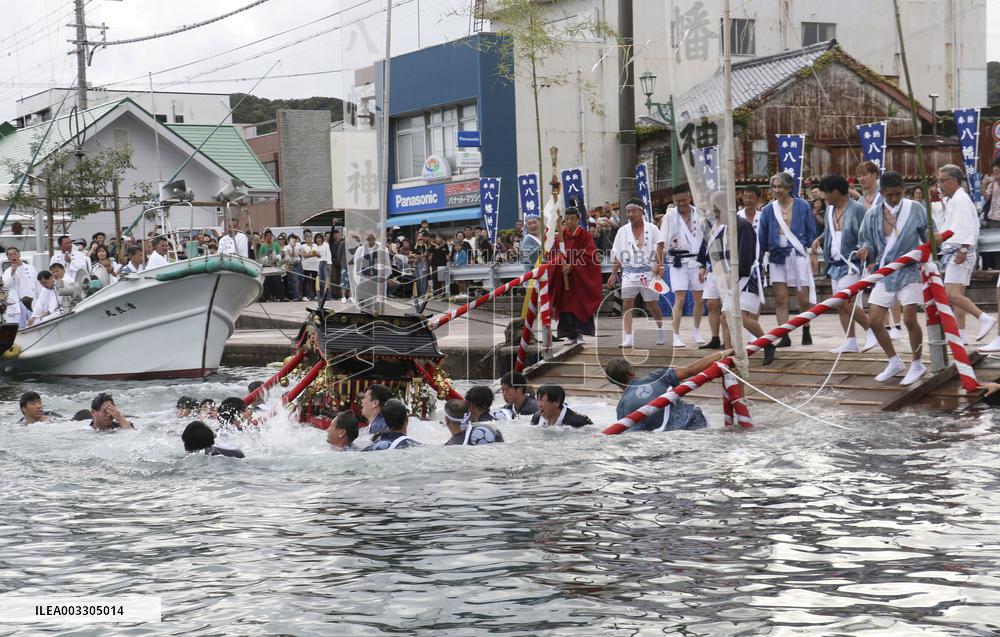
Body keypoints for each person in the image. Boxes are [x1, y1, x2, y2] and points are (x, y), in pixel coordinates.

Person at [857, 171, 930, 386]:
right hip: (885, 270)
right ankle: (893, 360)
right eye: (889, 195)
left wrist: (931, 246)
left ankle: (917, 363)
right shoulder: (872, 214)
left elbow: (928, 236)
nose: (894, 199)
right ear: (882, 193)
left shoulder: (915, 208)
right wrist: (865, 251)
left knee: (909, 318)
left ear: (904, 190)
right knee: (874, 320)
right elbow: (868, 242)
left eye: (898, 194)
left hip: (909, 269)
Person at [697, 192, 772, 362]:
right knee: (725, 317)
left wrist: (736, 274)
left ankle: (767, 342)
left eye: (717, 208)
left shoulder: (742, 225)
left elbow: (745, 255)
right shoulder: (719, 225)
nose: (714, 211)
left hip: (745, 276)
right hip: (728, 276)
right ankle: (729, 353)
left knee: (741, 317)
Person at [812, 173, 878, 354]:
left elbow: (868, 233)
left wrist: (866, 248)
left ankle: (871, 330)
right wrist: (819, 239)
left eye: (825, 193)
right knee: (842, 304)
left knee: (843, 302)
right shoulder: (829, 210)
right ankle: (850, 340)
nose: (823, 197)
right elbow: (829, 231)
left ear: (834, 192)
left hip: (852, 263)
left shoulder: (857, 209)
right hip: (834, 263)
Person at [935, 164, 996, 343]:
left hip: (961, 250)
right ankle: (960, 334)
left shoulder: (961, 200)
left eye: (942, 180)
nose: (940, 184)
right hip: (958, 249)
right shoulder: (956, 199)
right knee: (957, 295)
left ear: (953, 181)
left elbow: (968, 226)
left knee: (951, 294)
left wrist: (963, 249)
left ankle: (983, 317)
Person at [758, 171, 818, 347]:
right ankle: (784, 334)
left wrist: (812, 252)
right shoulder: (768, 210)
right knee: (780, 297)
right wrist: (760, 258)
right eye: (774, 187)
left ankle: (806, 328)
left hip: (797, 253)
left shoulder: (802, 206)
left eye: (780, 187)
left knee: (802, 297)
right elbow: (762, 236)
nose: (776, 190)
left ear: (789, 187)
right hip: (777, 256)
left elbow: (811, 231)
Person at [605, 350, 730, 431]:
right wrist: (723, 354)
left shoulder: (623, 409)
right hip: (695, 421)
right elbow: (692, 369)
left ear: (612, 382)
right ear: (630, 371)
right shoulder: (656, 377)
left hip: (670, 438)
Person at [608, 198, 666, 348]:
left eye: (633, 211)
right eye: (628, 211)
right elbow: (618, 254)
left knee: (651, 304)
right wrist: (614, 274)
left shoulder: (652, 228)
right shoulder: (622, 231)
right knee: (627, 303)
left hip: (648, 272)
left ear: (641, 211)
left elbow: (660, 246)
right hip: (629, 272)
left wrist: (659, 265)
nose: (630, 214)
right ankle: (628, 336)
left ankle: (660, 329)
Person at [548, 206, 603, 345]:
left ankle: (579, 334)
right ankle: (570, 335)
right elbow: (553, 255)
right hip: (564, 278)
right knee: (566, 307)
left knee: (579, 306)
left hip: (579, 279)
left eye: (573, 219)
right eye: (567, 219)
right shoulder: (560, 236)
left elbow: (590, 256)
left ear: (578, 219)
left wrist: (572, 266)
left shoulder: (585, 236)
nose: (570, 221)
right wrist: (560, 265)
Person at [660, 183, 706, 347]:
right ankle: (676, 334)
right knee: (679, 299)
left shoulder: (699, 213)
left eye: (684, 200)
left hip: (697, 260)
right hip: (677, 261)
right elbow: (661, 242)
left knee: (699, 299)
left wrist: (704, 263)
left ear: (690, 198)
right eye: (678, 201)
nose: (681, 203)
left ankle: (696, 329)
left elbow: (706, 239)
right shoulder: (670, 216)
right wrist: (658, 264)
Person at [3, 247, 38, 327]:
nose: (13, 256)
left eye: (15, 254)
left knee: (35, 324)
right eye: (10, 255)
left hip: (31, 302)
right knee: (19, 328)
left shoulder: (31, 268)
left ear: (19, 254)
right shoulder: (7, 271)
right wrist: (13, 271)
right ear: (8, 258)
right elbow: (7, 284)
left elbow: (38, 285)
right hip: (17, 304)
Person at [300, 230, 320, 301]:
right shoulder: (302, 246)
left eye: (310, 237)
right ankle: (304, 296)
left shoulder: (315, 245)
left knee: (315, 281)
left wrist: (311, 254)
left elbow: (318, 254)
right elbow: (304, 255)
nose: (309, 238)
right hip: (306, 266)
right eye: (307, 237)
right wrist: (312, 254)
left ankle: (316, 295)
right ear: (305, 238)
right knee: (306, 281)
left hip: (315, 266)